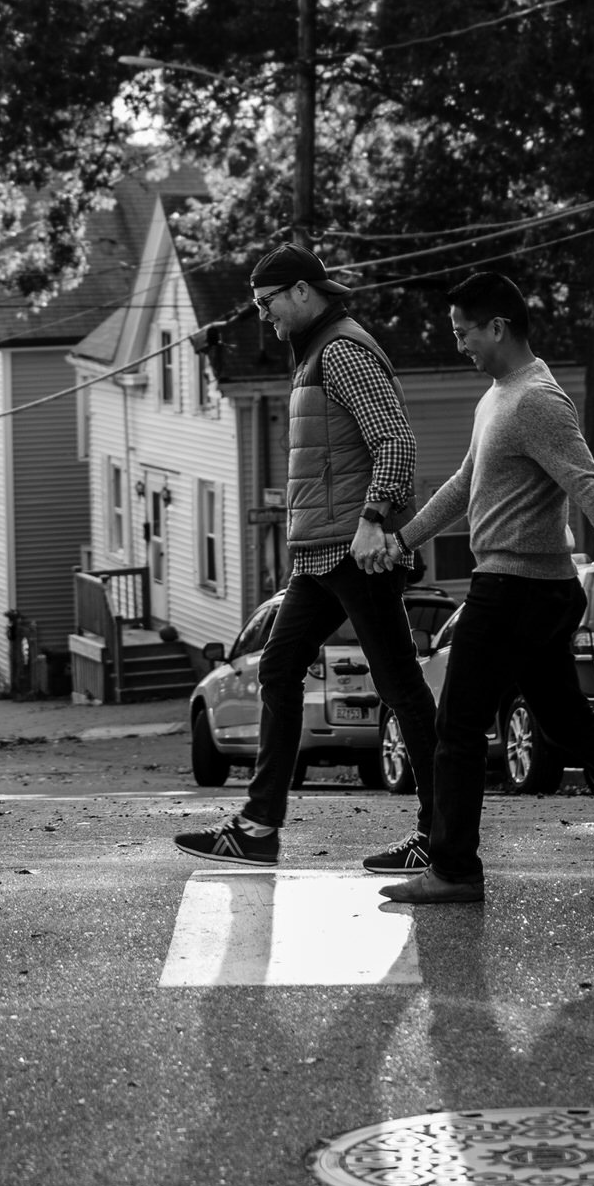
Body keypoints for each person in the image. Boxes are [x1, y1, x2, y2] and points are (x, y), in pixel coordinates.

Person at [364, 270, 594, 905]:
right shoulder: (498, 396)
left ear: (497, 327)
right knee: (569, 725)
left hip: (515, 591)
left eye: (463, 333)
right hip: (530, 590)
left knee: (457, 724)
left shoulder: (538, 400)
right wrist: (406, 539)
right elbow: (463, 485)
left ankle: (453, 869)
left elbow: (589, 484)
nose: (459, 346)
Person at [176, 245, 439, 871]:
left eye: (268, 303)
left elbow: (395, 442)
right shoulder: (313, 354)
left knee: (400, 686)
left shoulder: (343, 350)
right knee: (278, 668)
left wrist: (375, 519)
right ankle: (259, 827)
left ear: (300, 291)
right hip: (321, 555)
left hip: (357, 550)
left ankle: (442, 833)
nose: (264, 316)